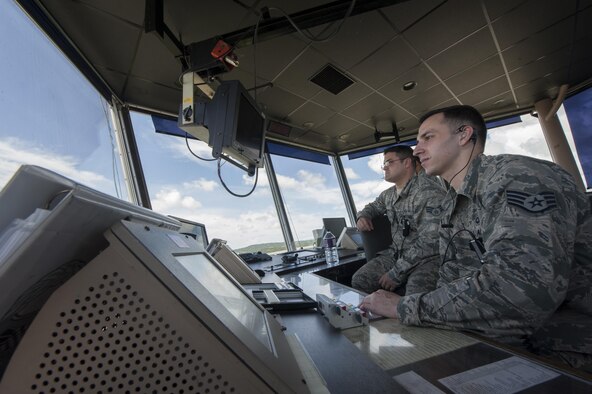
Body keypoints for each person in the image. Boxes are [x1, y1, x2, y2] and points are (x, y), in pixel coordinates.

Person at [359, 105, 592, 370]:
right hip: (493, 332)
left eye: (428, 137)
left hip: (559, 343)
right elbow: (456, 278)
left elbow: (519, 292)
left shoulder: (517, 178)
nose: (416, 149)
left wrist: (405, 307)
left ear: (463, 135)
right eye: (416, 141)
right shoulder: (453, 201)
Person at [351, 145, 446, 295]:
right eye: (384, 164)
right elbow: (373, 206)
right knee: (360, 280)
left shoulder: (427, 191)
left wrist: (396, 273)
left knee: (415, 295)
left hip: (428, 259)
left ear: (407, 162)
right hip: (396, 255)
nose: (384, 168)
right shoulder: (388, 195)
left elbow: (431, 241)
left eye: (389, 162)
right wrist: (363, 216)